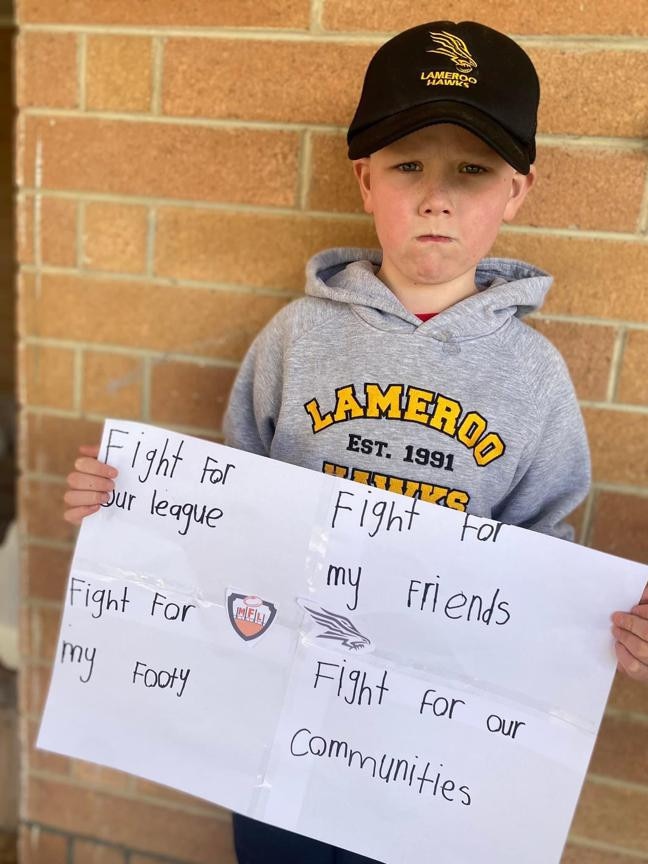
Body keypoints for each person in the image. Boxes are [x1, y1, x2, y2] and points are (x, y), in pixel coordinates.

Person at [64, 20, 648, 864]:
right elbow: (227, 507)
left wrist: (608, 634)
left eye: (471, 170)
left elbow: (543, 570)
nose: (436, 197)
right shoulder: (296, 339)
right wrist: (132, 512)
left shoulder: (534, 378)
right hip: (283, 726)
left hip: (429, 753)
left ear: (517, 190)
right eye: (409, 164)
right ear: (365, 179)